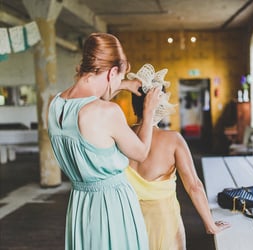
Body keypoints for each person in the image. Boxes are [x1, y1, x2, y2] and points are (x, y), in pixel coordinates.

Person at [47, 33, 161, 250]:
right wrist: (148, 112)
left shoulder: (55, 105)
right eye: (119, 76)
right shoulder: (106, 112)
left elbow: (88, 99)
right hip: (112, 206)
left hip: (81, 205)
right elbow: (141, 152)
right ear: (112, 72)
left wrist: (124, 84)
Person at [125, 64, 230, 250]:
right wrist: (209, 224)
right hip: (165, 224)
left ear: (135, 106)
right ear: (161, 104)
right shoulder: (173, 140)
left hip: (129, 222)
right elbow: (194, 186)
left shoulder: (122, 136)